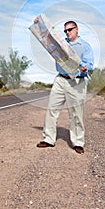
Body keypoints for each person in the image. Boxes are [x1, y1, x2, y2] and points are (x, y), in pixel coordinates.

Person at [36, 20, 94, 154]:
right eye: (65, 31)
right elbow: (48, 36)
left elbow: (90, 64)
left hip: (77, 82)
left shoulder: (85, 46)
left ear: (77, 29)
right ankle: (48, 139)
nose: (68, 32)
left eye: (70, 29)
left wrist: (84, 69)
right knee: (52, 109)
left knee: (76, 114)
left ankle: (78, 142)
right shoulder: (62, 44)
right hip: (60, 80)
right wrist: (39, 24)